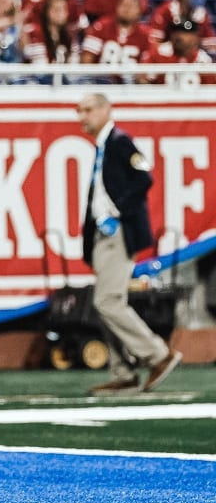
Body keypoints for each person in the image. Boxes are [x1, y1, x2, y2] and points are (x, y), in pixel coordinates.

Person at [77, 94, 182, 394]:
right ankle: (122, 371)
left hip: (117, 233)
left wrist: (117, 211)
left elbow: (143, 177)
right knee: (106, 303)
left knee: (107, 301)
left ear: (105, 110)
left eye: (87, 110)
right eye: (79, 111)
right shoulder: (104, 146)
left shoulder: (121, 141)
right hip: (102, 234)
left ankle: (158, 354)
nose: (81, 117)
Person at [146, 0, 216, 54]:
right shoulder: (166, 10)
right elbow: (153, 42)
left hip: (191, 59)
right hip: (167, 58)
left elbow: (210, 43)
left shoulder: (202, 13)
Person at [81, 0, 150, 72]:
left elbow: (148, 65)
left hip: (132, 82)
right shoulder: (101, 26)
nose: (127, 9)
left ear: (139, 11)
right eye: (124, 5)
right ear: (117, 7)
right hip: (101, 80)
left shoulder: (145, 34)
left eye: (131, 6)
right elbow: (87, 58)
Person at [138, 19, 216, 86]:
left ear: (195, 38)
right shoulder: (158, 53)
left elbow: (210, 87)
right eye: (176, 31)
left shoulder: (203, 59)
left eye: (185, 33)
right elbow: (142, 80)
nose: (179, 36)